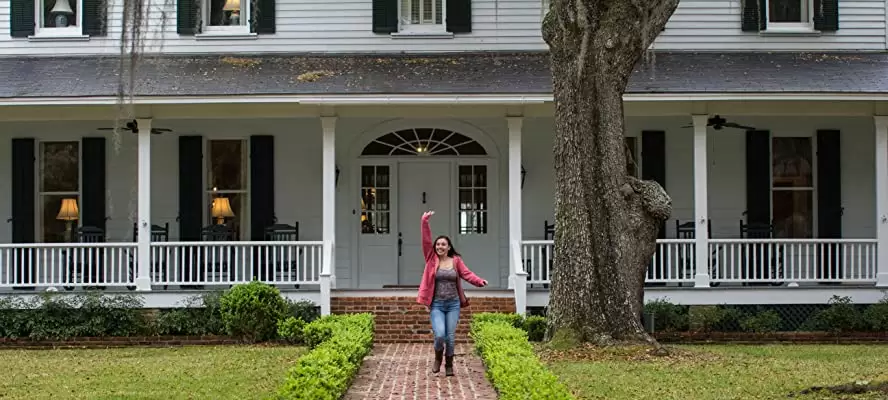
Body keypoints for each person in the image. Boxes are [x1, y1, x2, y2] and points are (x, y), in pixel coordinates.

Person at [416, 210, 488, 377]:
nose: (440, 246)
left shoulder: (456, 261)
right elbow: (426, 240)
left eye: (443, 244)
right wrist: (424, 221)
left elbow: (467, 274)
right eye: (438, 244)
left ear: (448, 247)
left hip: (453, 303)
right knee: (439, 334)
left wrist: (479, 282)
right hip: (437, 304)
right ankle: (437, 358)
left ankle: (449, 364)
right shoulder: (431, 258)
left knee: (450, 336)